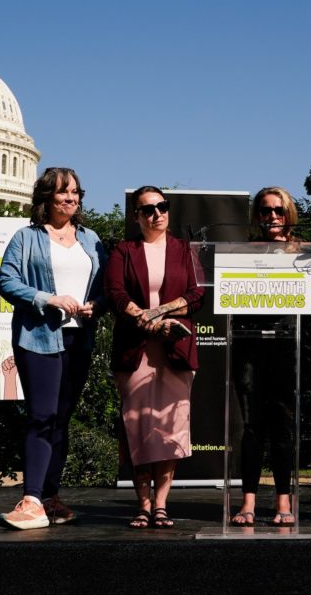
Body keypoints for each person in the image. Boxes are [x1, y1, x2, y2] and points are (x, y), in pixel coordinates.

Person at [0, 167, 106, 530]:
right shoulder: (26, 237)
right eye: (62, 192)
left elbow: (105, 288)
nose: (70, 198)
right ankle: (30, 499)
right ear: (46, 197)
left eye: (75, 192)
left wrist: (95, 305)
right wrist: (48, 298)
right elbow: (7, 282)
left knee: (61, 420)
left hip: (79, 339)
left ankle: (49, 497)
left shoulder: (91, 239)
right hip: (39, 338)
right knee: (42, 416)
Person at [105, 186, 203, 529]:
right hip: (135, 350)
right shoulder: (123, 250)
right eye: (148, 209)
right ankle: (142, 505)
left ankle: (161, 504)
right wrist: (146, 322)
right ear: (136, 216)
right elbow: (115, 293)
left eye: (162, 207)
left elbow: (196, 295)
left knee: (170, 427)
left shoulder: (184, 250)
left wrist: (160, 315)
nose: (157, 214)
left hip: (175, 350)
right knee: (139, 426)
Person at [230, 187, 303, 527]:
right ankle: (247, 503)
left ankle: (283, 502)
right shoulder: (242, 253)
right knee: (251, 428)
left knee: (283, 429)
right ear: (256, 216)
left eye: (278, 210)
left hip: (288, 347)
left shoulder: (305, 252)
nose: (272, 216)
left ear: (289, 213)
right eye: (264, 210)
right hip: (248, 347)